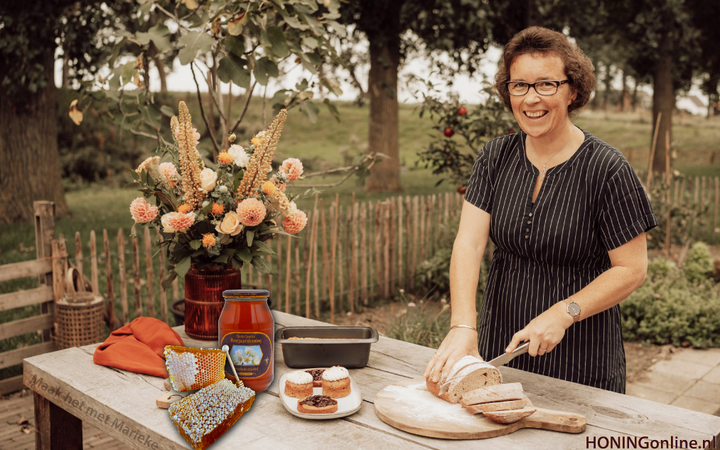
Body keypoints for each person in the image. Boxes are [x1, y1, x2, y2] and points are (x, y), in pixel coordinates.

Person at [423, 26, 657, 393]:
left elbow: (631, 269)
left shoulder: (608, 169)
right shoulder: (494, 157)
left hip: (582, 357)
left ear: (573, 90)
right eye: (520, 85)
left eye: (546, 84)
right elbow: (468, 244)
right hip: (502, 347)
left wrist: (565, 313)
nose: (531, 99)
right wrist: (463, 326)